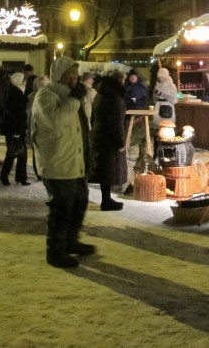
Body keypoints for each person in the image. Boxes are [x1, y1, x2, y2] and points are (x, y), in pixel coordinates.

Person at [31, 56, 93, 268]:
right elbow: (56, 121)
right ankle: (55, 252)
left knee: (79, 204)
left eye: (75, 76)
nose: (73, 81)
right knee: (61, 209)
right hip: (57, 164)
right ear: (58, 76)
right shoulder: (45, 96)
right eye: (68, 77)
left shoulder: (72, 98)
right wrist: (75, 100)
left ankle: (71, 241)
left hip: (76, 162)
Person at [91, 71, 128, 210]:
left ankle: (106, 199)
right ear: (120, 82)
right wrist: (120, 142)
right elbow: (117, 122)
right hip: (110, 138)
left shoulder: (100, 94)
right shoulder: (115, 98)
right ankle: (106, 201)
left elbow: (93, 116)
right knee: (109, 170)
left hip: (99, 134)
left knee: (104, 169)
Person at [0, 72, 30, 186]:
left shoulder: (16, 93)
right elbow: (16, 115)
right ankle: (5, 176)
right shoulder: (16, 95)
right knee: (12, 154)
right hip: (15, 129)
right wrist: (17, 131)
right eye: (23, 81)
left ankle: (20, 177)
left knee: (21, 154)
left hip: (17, 128)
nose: (25, 83)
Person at [26, 75, 50, 181]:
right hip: (39, 128)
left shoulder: (31, 96)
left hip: (38, 129)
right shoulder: (37, 97)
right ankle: (41, 173)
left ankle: (41, 173)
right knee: (39, 152)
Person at [79, 72, 98, 181]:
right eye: (92, 79)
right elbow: (97, 107)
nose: (93, 81)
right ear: (88, 80)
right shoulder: (91, 91)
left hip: (77, 124)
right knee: (88, 149)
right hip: (88, 124)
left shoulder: (75, 89)